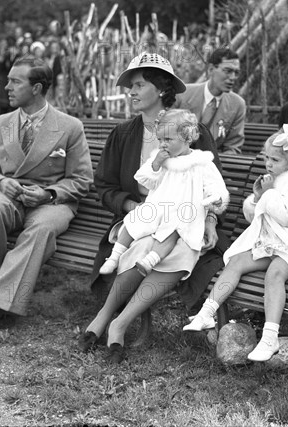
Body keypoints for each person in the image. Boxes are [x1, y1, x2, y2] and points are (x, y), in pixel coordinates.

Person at [82, 52, 230, 362]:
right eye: (130, 86)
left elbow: (212, 184)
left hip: (187, 219)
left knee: (171, 250)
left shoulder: (192, 131)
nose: (131, 92)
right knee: (141, 244)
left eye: (138, 85)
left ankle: (118, 323)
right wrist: (131, 204)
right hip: (141, 214)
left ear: (161, 89)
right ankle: (106, 319)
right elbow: (105, 186)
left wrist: (211, 220)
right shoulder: (123, 134)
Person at [0, 55, 93, 345]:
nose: (6, 86)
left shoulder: (70, 127)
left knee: (42, 230)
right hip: (11, 196)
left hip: (51, 202)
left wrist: (49, 193)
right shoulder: (0, 124)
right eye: (8, 79)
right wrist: (1, 182)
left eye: (15, 81)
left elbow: (82, 180)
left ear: (37, 88)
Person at [184, 123, 288, 362]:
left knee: (274, 274)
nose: (269, 165)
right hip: (272, 245)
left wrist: (266, 195)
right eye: (267, 158)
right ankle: (208, 311)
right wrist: (256, 198)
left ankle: (270, 336)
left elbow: (286, 218)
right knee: (235, 262)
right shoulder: (273, 181)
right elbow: (256, 218)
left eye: (275, 160)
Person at [99, 108, 229, 276]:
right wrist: (156, 165)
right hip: (158, 206)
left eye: (167, 139)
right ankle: (114, 257)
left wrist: (216, 199)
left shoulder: (201, 162)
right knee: (133, 221)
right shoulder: (161, 160)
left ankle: (150, 260)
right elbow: (145, 179)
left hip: (185, 211)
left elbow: (215, 186)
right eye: (159, 139)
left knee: (173, 232)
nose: (162, 144)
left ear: (187, 137)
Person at [174, 48, 246, 154]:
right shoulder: (182, 93)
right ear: (211, 69)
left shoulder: (237, 105)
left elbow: (232, 147)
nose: (232, 77)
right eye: (228, 71)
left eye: (236, 72)